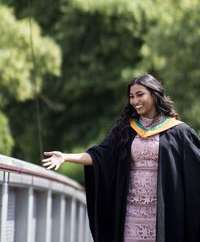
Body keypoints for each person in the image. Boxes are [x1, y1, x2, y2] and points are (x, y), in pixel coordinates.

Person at [42, 73, 200, 242]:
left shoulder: (178, 132)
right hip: (132, 214)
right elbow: (100, 155)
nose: (135, 100)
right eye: (132, 96)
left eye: (140, 95)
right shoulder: (126, 129)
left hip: (164, 213)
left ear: (154, 95)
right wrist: (65, 157)